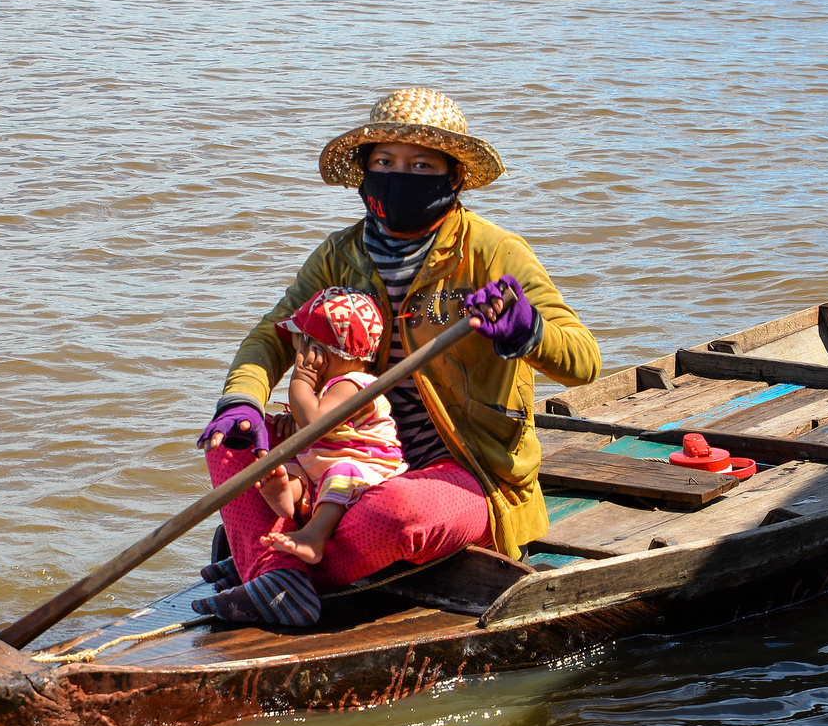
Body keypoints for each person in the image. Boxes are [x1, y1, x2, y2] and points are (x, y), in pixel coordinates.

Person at [194, 87, 600, 628]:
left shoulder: (495, 252)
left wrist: (526, 331)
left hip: (462, 472)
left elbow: (583, 360)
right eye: (384, 161)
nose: (398, 174)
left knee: (398, 517)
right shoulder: (342, 254)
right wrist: (241, 400)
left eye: (420, 164)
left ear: (452, 177)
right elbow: (270, 336)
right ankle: (275, 571)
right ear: (364, 172)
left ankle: (265, 567)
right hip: (346, 456)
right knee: (230, 443)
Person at [257, 287, 407, 565]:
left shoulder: (354, 386)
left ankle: (313, 537)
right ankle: (285, 494)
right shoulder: (331, 389)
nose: (297, 356)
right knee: (294, 470)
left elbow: (316, 421)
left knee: (341, 473)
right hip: (328, 462)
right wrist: (293, 421)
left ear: (319, 353)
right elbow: (317, 422)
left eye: (300, 348)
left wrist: (301, 379)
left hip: (368, 468)